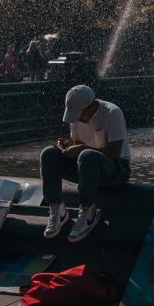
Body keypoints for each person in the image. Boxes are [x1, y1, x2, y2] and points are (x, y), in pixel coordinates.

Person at [40, 85, 131, 242]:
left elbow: (115, 153)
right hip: (87, 168)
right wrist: (70, 145)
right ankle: (57, 209)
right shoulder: (76, 117)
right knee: (49, 154)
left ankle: (88, 211)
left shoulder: (112, 113)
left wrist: (82, 148)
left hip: (116, 169)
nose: (77, 119)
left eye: (79, 115)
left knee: (87, 155)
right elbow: (80, 144)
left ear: (90, 106)